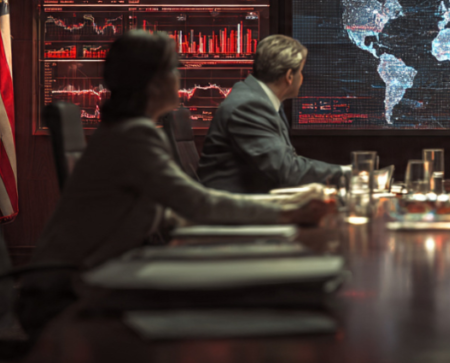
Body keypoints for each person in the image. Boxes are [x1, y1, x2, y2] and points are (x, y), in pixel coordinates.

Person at [19, 31, 332, 333]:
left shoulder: (130, 132)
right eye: (173, 69)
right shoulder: (132, 137)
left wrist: (286, 204)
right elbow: (198, 204)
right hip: (63, 296)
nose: (179, 78)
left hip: (85, 282)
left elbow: (179, 211)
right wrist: (288, 212)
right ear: (154, 83)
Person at [199, 34, 346, 193]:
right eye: (301, 72)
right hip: (234, 209)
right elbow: (285, 171)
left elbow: (287, 163)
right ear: (289, 76)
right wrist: (349, 173)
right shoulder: (249, 105)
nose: (302, 78)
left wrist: (343, 171)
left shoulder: (259, 99)